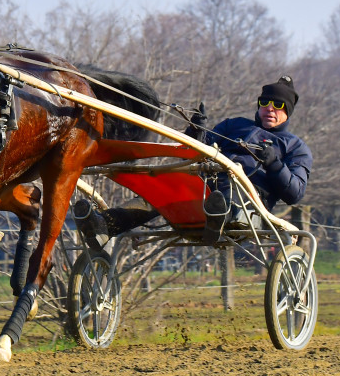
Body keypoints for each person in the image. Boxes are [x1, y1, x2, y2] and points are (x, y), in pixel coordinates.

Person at [74, 75, 313, 247]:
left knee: (228, 181)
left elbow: (294, 193)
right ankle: (105, 225)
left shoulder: (295, 147)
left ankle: (218, 217)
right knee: (164, 187)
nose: (270, 108)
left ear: (288, 111)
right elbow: (194, 149)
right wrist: (195, 132)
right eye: (265, 102)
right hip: (204, 187)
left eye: (278, 105)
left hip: (248, 199)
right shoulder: (234, 125)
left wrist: (275, 164)